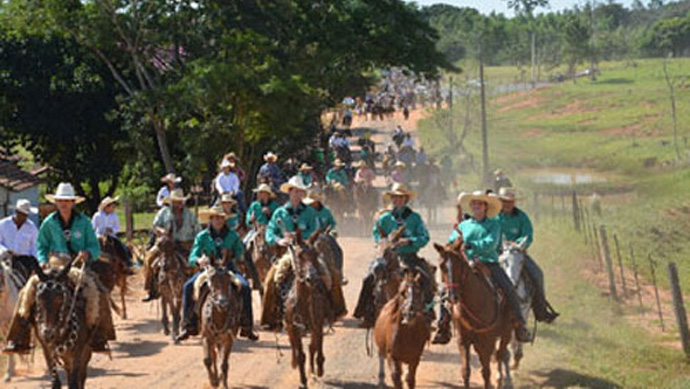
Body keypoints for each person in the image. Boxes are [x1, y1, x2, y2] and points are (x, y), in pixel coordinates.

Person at [3, 183, 113, 354]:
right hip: (53, 263)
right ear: (56, 202)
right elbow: (41, 245)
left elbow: (95, 247)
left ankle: (100, 336)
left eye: (67, 201)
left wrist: (87, 253)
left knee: (99, 292)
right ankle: (19, 339)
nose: (63, 203)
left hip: (77, 264)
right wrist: (41, 261)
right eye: (60, 200)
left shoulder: (83, 222)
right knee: (27, 292)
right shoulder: (49, 222)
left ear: (72, 202)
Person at [260, 176, 346, 329]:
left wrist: (305, 239)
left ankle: (335, 310)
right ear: (289, 192)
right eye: (295, 191)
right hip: (287, 252)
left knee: (330, 273)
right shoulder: (280, 213)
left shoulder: (310, 212)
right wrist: (279, 240)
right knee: (271, 280)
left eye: (300, 192)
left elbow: (315, 229)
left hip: (307, 250)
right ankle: (270, 318)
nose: (297, 194)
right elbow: (270, 232)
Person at [354, 184, 438, 333]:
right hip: (388, 256)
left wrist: (409, 241)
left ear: (406, 199)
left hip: (409, 256)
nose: (397, 200)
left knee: (425, 278)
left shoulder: (415, 218)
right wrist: (383, 241)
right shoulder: (385, 218)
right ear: (391, 199)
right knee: (369, 278)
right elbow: (376, 234)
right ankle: (366, 312)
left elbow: (424, 237)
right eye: (395, 197)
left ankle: (428, 313)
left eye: (400, 197)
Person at [449, 190, 532, 342]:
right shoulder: (464, 225)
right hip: (465, 263)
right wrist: (454, 244)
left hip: (488, 263)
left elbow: (491, 243)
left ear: (485, 206)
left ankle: (519, 324)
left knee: (508, 288)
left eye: (479, 203)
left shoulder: (494, 224)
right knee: (447, 288)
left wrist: (470, 244)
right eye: (474, 203)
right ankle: (443, 325)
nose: (476, 206)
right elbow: (452, 239)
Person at [175, 206, 258, 342]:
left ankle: (247, 325)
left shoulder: (233, 235)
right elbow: (192, 257)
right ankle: (187, 324)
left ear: (225, 219)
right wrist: (199, 260)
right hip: (208, 270)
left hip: (229, 269)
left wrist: (235, 255)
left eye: (221, 218)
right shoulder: (202, 236)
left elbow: (240, 253)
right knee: (188, 287)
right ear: (210, 219)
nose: (218, 220)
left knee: (244, 287)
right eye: (215, 217)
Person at [497, 187, 559, 323]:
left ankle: (540, 310)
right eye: (504, 201)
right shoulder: (494, 216)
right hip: (496, 253)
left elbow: (528, 235)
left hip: (517, 253)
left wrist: (518, 244)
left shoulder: (521, 217)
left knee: (537, 274)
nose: (507, 204)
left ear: (514, 202)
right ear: (500, 201)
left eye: (510, 201)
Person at [143, 188, 201, 302]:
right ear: (171, 202)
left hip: (186, 244)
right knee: (149, 258)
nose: (177, 204)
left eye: (179, 201)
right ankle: (150, 288)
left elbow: (198, 229)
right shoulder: (164, 212)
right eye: (175, 201)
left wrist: (196, 243)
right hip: (166, 244)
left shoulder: (189, 214)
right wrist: (161, 231)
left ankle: (196, 289)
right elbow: (155, 226)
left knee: (195, 264)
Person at [92, 196, 134, 270]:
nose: (114, 208)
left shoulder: (114, 216)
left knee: (121, 246)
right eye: (112, 206)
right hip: (99, 235)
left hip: (111, 235)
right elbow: (93, 227)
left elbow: (117, 227)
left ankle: (127, 263)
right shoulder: (97, 215)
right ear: (106, 207)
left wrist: (111, 230)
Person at [0, 199, 39, 276]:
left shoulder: (31, 227)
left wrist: (34, 262)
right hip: (5, 260)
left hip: (24, 262)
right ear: (16, 212)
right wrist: (6, 251)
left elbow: (35, 246)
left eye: (26, 215)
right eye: (22, 214)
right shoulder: (3, 224)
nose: (24, 217)